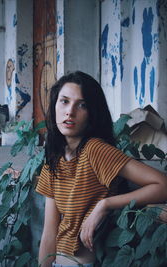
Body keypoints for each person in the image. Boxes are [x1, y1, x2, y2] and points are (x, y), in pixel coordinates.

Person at [35, 71, 167, 267]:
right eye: (64, 101)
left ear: (92, 113)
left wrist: (105, 205)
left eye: (82, 105)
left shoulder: (95, 150)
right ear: (54, 106)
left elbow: (162, 185)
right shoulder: (54, 160)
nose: (70, 112)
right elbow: (49, 231)